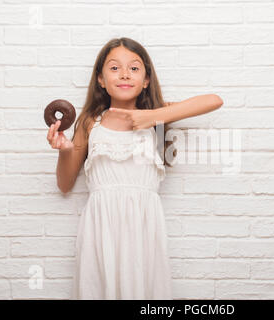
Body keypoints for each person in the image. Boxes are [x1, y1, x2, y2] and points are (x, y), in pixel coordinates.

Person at [46, 37, 223, 300]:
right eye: (114, 68)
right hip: (100, 225)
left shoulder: (157, 116)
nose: (125, 74)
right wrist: (65, 150)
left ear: (146, 80)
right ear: (101, 80)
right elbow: (64, 184)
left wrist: (153, 116)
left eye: (134, 68)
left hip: (144, 223)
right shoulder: (89, 122)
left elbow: (214, 100)